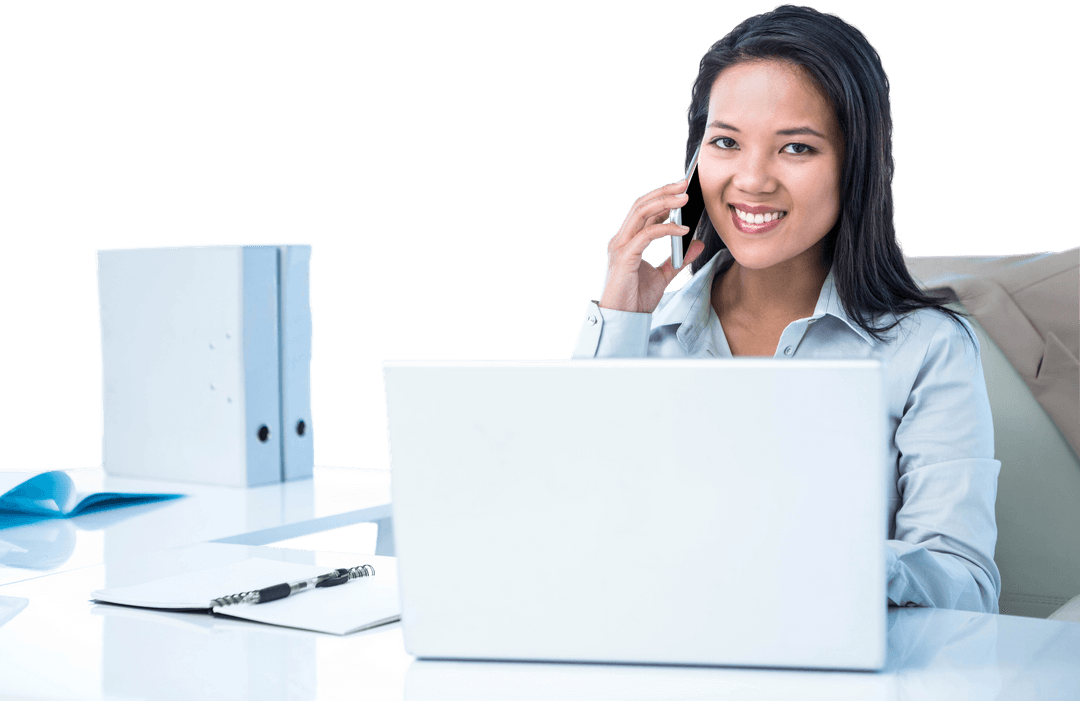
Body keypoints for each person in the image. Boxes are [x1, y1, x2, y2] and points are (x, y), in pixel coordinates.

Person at [571, 4, 1001, 614]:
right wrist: (620, 314)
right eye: (725, 142)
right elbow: (567, 531)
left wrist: (819, 557)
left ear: (854, 167)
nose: (751, 180)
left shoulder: (927, 349)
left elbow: (967, 587)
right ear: (695, 163)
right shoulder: (646, 335)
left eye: (795, 148)